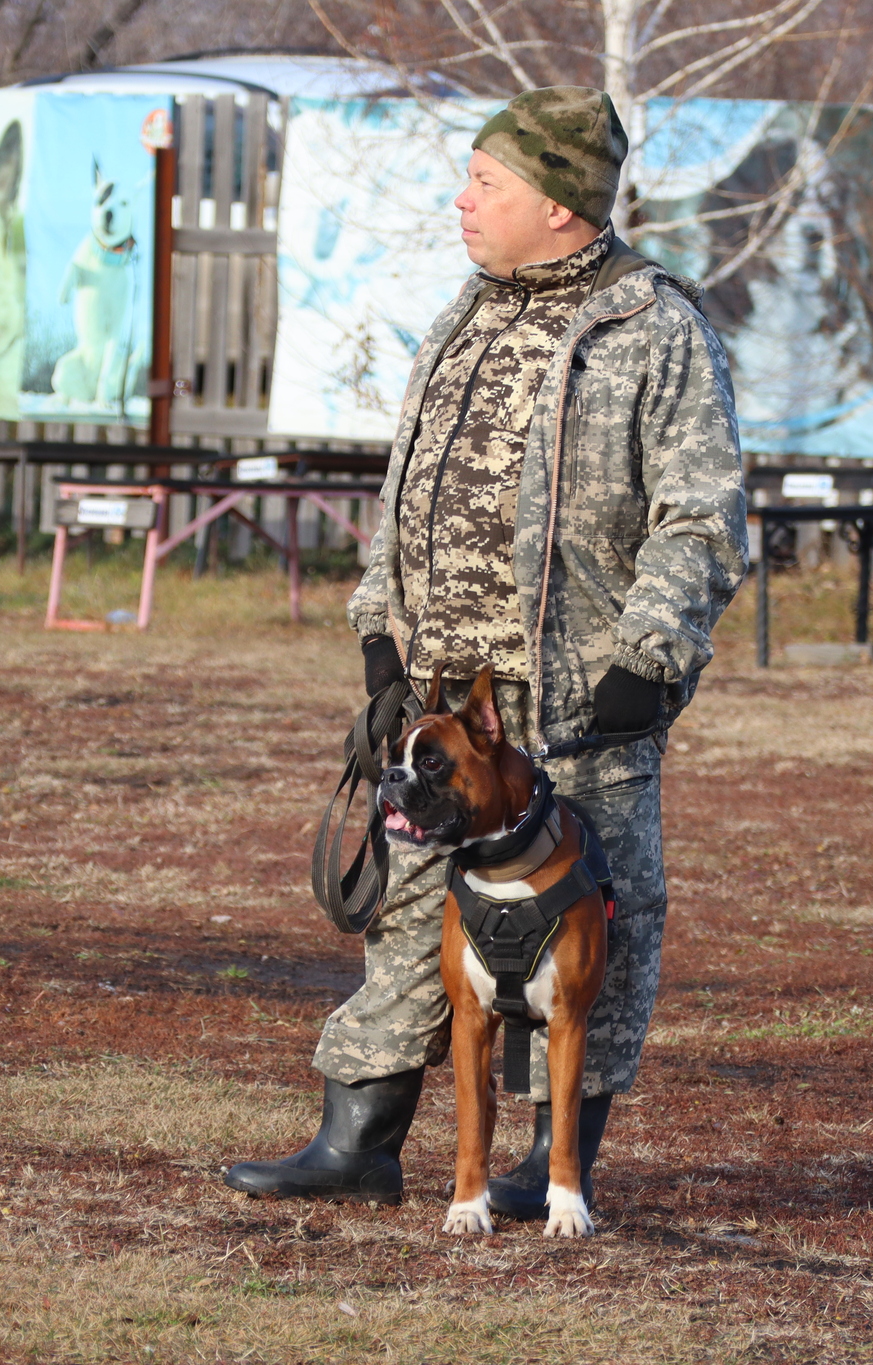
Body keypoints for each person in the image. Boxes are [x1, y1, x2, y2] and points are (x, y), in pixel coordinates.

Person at [226, 86, 747, 1219]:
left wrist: (645, 657)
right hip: (441, 709)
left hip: (574, 712)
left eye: (487, 183)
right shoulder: (465, 309)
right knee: (409, 911)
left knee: (585, 930)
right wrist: (379, 633)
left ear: (560, 205)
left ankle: (549, 1169)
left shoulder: (653, 328)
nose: (461, 200)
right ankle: (357, 1143)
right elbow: (403, 488)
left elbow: (703, 516)